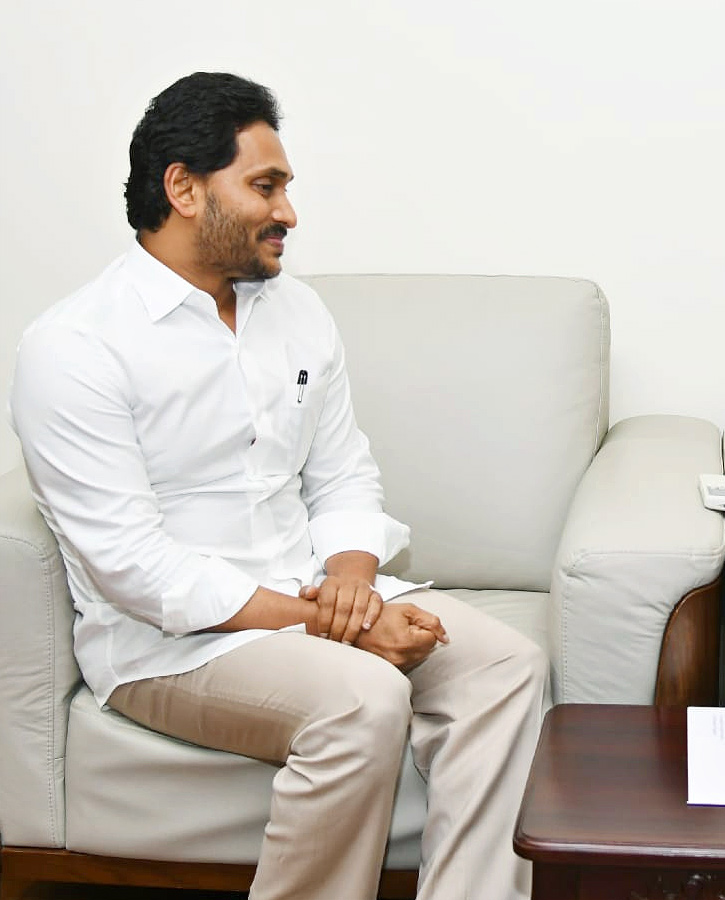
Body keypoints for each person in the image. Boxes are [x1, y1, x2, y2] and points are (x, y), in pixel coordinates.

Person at [9, 72, 547, 900]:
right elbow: (133, 568)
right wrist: (333, 624)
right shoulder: (75, 346)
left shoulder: (298, 313)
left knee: (506, 664)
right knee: (363, 698)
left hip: (309, 596)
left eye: (285, 188)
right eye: (266, 186)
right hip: (168, 647)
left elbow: (343, 474)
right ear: (183, 188)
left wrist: (352, 586)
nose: (288, 212)